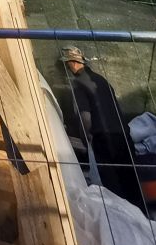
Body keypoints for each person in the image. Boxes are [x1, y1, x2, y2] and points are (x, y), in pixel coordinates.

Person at [61, 45, 147, 210]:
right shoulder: (102, 80)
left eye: (67, 64)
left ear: (73, 63)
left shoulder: (79, 84)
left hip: (103, 139)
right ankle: (143, 216)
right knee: (131, 181)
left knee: (113, 187)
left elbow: (84, 116)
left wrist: (87, 140)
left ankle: (125, 221)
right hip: (122, 134)